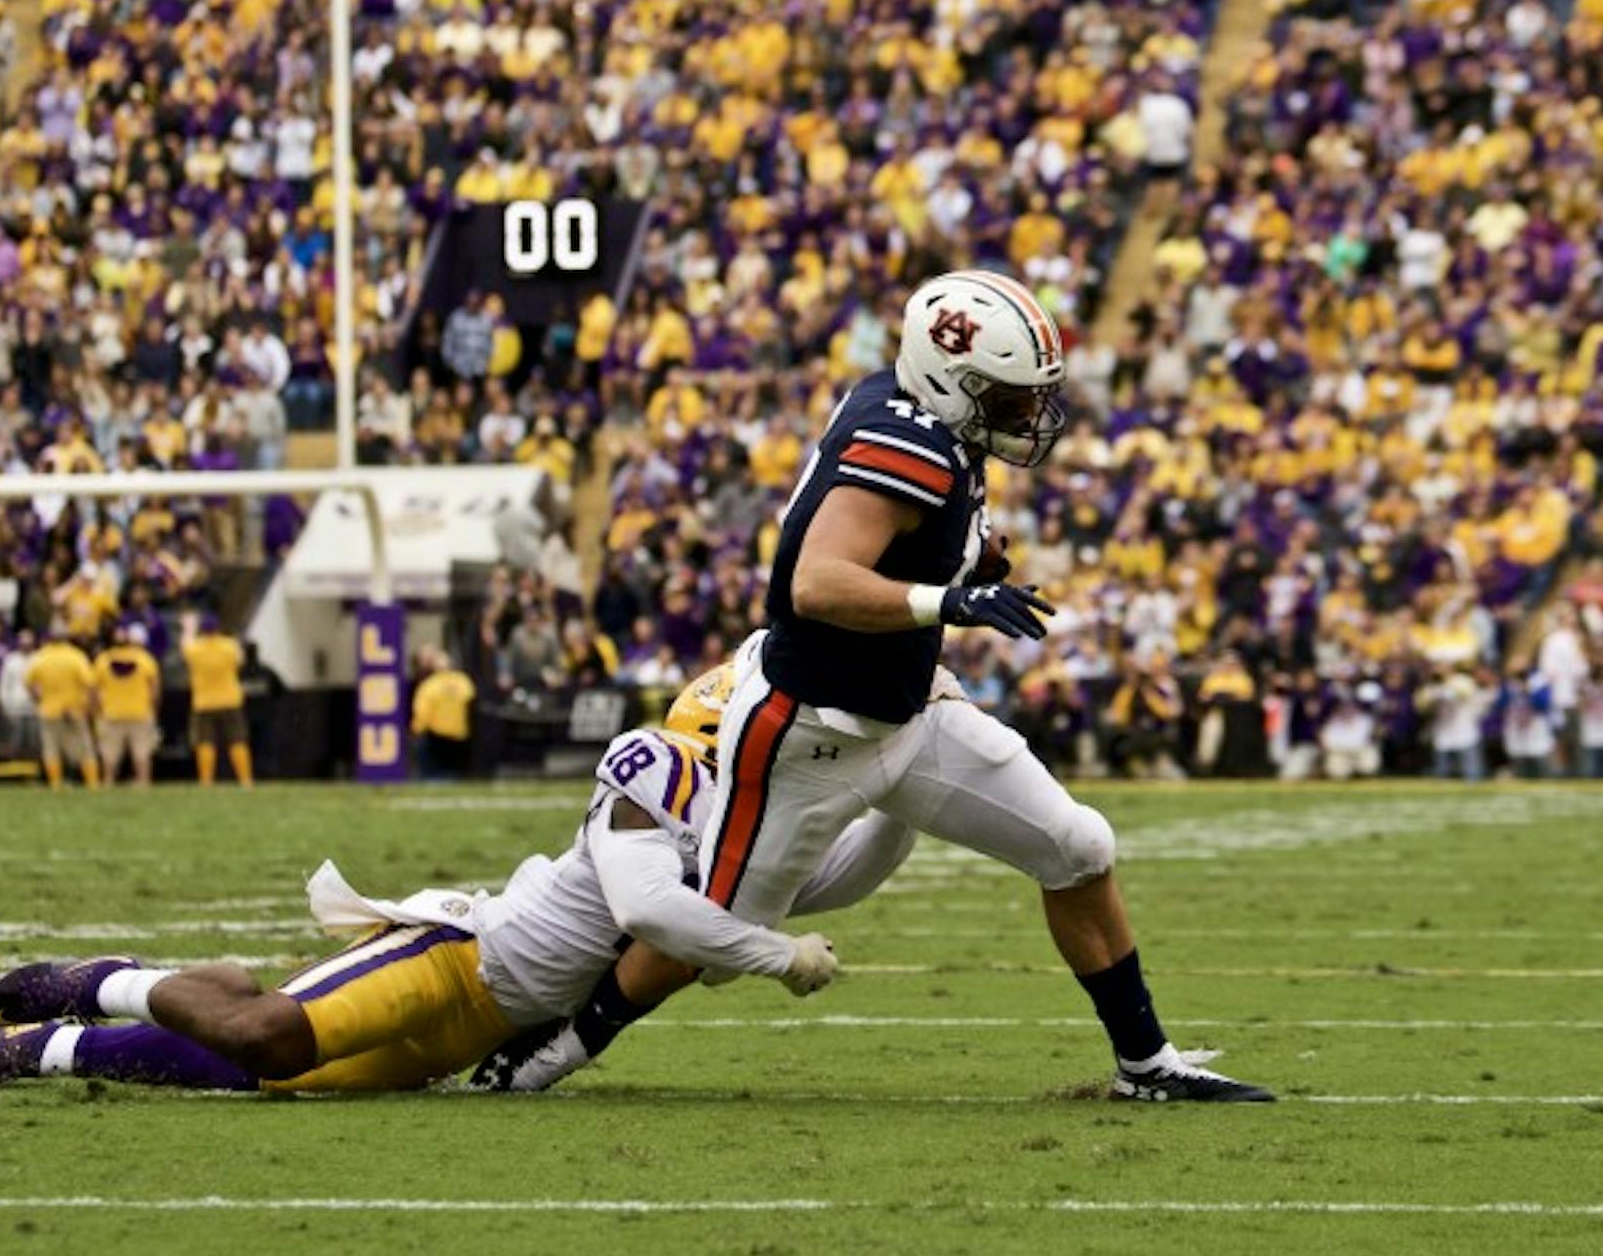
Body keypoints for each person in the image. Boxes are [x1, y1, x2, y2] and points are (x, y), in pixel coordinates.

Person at [479, 272, 1269, 1104]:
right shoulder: (909, 446)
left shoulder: (916, 410)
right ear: (948, 379)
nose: (1022, 415)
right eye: (1004, 396)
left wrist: (968, 562)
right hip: (807, 734)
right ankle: (561, 1046)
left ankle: (1146, 1065)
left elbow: (912, 532)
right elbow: (817, 583)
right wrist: (948, 601)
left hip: (911, 714)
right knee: (713, 940)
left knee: (1077, 849)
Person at [0, 675, 903, 1092]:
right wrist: (775, 956)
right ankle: (97, 986)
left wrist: (907, 780)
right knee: (266, 1032)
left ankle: (43, 1051)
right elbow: (651, 910)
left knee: (269, 1073)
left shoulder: (746, 833)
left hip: (480, 1027)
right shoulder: (656, 770)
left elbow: (845, 873)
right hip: (455, 960)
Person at [182, 611, 251, 786]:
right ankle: (245, 780)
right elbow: (241, 661)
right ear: (218, 629)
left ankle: (206, 781)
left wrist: (189, 627)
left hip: (203, 702)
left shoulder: (195, 648)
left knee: (205, 742)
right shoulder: (230, 645)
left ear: (202, 630)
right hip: (230, 700)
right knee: (237, 739)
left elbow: (185, 645)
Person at [25, 633, 99, 789]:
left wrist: (39, 700)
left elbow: (29, 683)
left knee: (51, 748)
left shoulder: (41, 657)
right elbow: (90, 684)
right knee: (84, 748)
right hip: (73, 710)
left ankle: (55, 783)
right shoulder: (76, 656)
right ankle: (92, 783)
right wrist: (90, 708)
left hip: (49, 710)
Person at [95, 625, 162, 786]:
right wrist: (154, 709)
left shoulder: (102, 661)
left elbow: (94, 691)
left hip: (111, 713)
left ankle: (108, 782)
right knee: (142, 754)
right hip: (140, 711)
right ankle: (143, 782)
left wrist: (96, 712)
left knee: (109, 756)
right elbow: (155, 689)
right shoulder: (145, 659)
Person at [411, 644, 475, 777]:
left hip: (437, 736)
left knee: (434, 774)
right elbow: (470, 698)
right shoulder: (463, 681)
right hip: (458, 736)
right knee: (453, 774)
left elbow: (422, 714)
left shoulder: (429, 685)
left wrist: (416, 731)